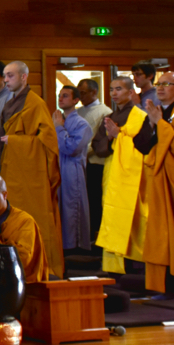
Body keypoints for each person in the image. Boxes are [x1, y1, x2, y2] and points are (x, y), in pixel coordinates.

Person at [0, 61, 64, 277]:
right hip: (14, 168)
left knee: (34, 219)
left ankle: (42, 267)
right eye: (5, 76)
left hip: (31, 175)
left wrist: (16, 142)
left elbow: (48, 141)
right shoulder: (13, 101)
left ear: (24, 77)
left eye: (10, 76)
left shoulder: (35, 103)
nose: (6, 80)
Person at [93, 76, 153, 273]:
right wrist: (111, 138)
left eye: (119, 89)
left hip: (132, 178)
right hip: (112, 175)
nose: (114, 93)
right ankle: (114, 269)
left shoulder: (140, 117)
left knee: (134, 219)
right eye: (111, 89)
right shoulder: (109, 117)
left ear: (130, 92)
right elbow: (98, 147)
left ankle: (136, 269)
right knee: (111, 217)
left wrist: (120, 137)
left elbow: (145, 148)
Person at [135, 72, 174, 296]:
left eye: (166, 84)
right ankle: (165, 287)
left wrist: (159, 124)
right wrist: (154, 125)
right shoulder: (157, 112)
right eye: (158, 84)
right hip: (160, 184)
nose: (160, 88)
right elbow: (142, 145)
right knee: (160, 236)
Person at [54, 86, 93, 253]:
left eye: (65, 96)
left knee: (71, 207)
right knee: (59, 207)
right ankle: (61, 245)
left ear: (76, 100)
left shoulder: (81, 124)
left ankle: (75, 247)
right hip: (57, 168)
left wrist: (58, 127)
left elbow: (71, 148)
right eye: (59, 96)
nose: (61, 99)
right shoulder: (58, 119)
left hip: (72, 169)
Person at [77, 78, 112, 238]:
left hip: (95, 162)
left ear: (94, 92)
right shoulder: (78, 111)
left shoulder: (104, 111)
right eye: (79, 93)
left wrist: (82, 152)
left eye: (83, 93)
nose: (80, 96)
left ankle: (96, 234)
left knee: (94, 198)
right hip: (78, 160)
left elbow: (100, 138)